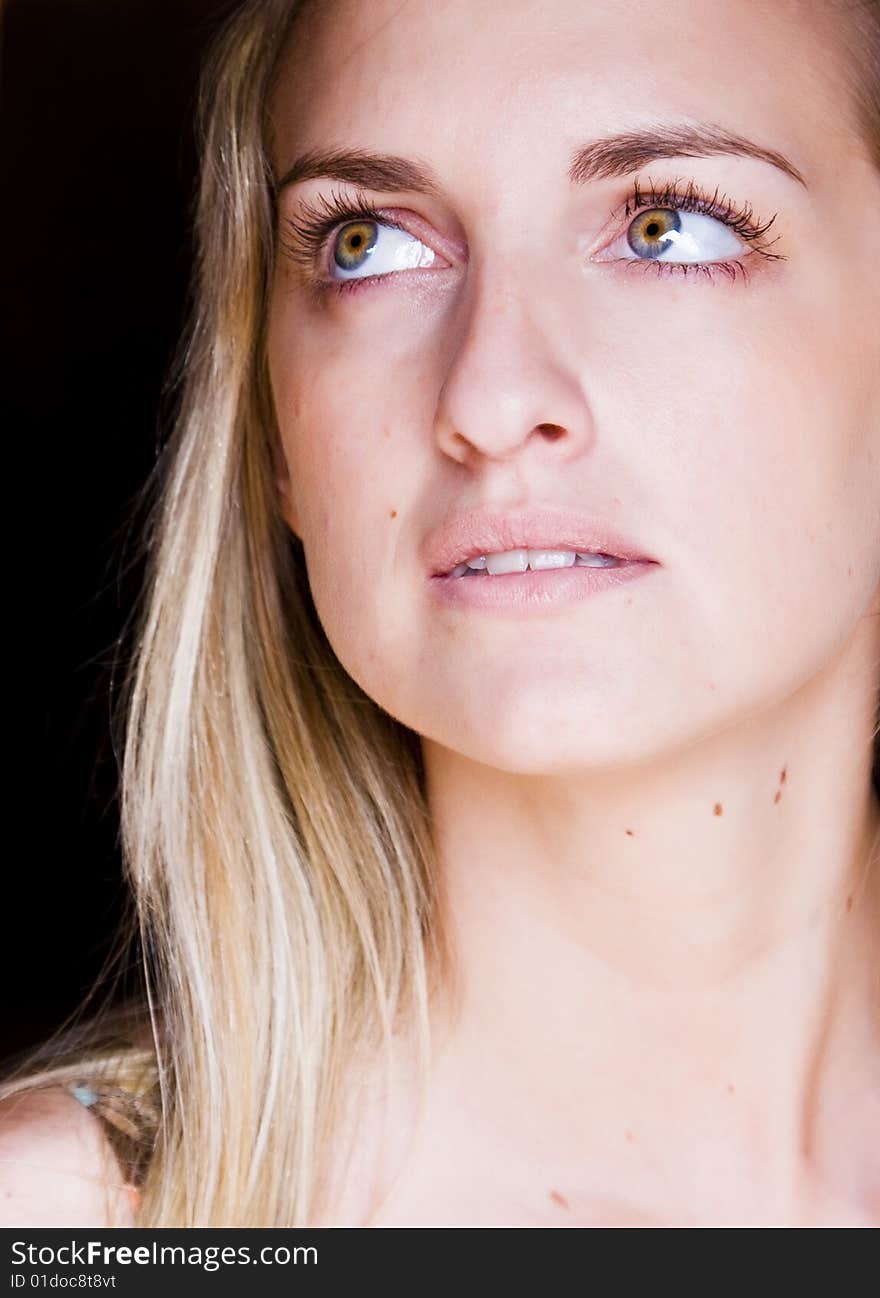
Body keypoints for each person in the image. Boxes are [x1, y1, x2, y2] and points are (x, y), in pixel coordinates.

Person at [1, 0, 878, 1228]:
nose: (491, 395)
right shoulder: (71, 1228)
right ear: (275, 439)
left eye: (665, 225)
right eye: (366, 243)